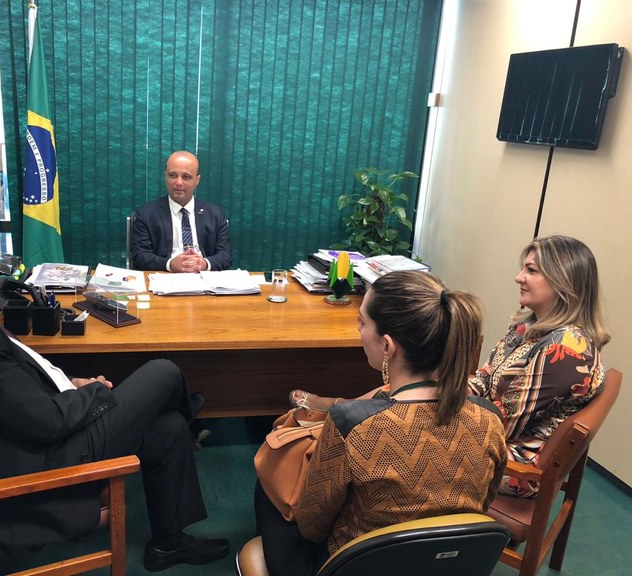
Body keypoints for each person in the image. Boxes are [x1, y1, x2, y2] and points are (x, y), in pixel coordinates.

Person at [0, 217, 229, 575]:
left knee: (169, 426)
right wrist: (94, 392)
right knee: (164, 371)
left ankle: (168, 544)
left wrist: (72, 382)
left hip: (36, 429)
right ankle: (190, 410)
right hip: (49, 456)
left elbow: (12, 390)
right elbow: (48, 421)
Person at [254, 271, 508, 576]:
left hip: (355, 567)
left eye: (362, 322)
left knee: (270, 481)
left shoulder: (353, 426)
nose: (359, 330)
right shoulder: (489, 418)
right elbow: (482, 505)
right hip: (449, 565)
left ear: (387, 346)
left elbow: (312, 526)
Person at [468, 235, 610, 497]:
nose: (518, 277)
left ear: (563, 281)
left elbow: (502, 426)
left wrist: (437, 412)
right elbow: (485, 377)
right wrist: (443, 393)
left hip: (513, 465)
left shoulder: (566, 350)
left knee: (405, 446)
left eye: (531, 270)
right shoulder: (529, 323)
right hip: (490, 431)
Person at [131, 151, 232, 272]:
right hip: (165, 277)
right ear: (165, 177)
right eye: (173, 175)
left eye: (186, 177)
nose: (179, 182)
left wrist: (204, 264)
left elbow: (225, 256)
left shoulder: (215, 215)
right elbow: (140, 256)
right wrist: (170, 264)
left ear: (197, 180)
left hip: (203, 278)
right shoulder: (146, 214)